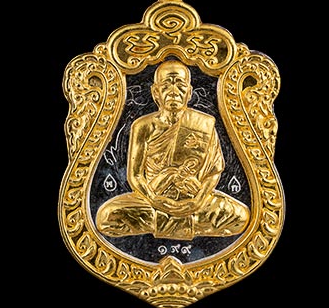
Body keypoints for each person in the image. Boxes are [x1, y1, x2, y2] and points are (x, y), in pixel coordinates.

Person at [96, 60, 249, 241]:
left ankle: (166, 222)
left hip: (194, 199)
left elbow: (214, 172)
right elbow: (135, 176)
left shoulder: (203, 123)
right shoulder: (143, 126)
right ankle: (187, 223)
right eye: (166, 85)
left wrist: (197, 201)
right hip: (153, 198)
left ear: (189, 93)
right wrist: (154, 199)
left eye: (180, 85)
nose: (174, 91)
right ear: (156, 92)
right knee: (106, 217)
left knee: (241, 217)